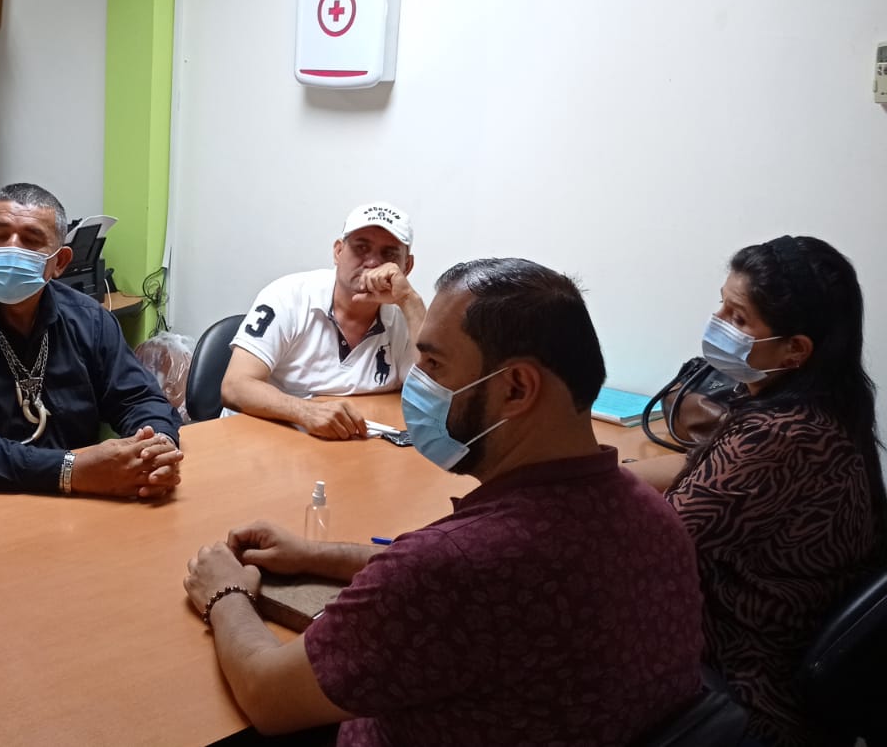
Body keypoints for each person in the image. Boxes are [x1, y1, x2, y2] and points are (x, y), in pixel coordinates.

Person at [183, 258, 704, 745]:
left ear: (516, 388)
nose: (418, 384)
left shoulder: (452, 568)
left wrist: (224, 593)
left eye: (433, 363)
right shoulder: (653, 515)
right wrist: (316, 554)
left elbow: (268, 694)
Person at [628, 235, 883, 747]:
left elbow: (652, 544)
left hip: (750, 695)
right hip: (753, 661)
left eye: (738, 318)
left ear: (795, 350)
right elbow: (698, 469)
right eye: (722, 304)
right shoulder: (816, 406)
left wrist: (568, 490)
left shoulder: (785, 436)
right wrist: (599, 468)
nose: (717, 322)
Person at [0, 182, 184, 497]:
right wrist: (70, 471)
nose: (12, 248)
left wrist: (156, 448)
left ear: (60, 262)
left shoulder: (89, 320)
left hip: (64, 499)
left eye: (31, 240)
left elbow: (139, 399)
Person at [221, 202, 426, 440]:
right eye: (361, 248)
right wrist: (305, 411)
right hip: (264, 437)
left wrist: (410, 301)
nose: (372, 263)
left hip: (350, 444)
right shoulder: (287, 296)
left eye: (389, 254)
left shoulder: (406, 314)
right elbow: (235, 386)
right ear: (338, 252)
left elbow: (432, 398)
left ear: (406, 266)